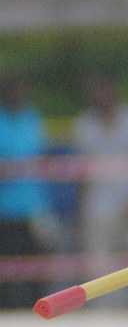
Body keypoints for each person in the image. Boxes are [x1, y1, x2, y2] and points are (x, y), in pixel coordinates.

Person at [71, 72, 128, 307]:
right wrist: (79, 214)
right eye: (94, 91)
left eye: (103, 89)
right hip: (98, 211)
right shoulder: (83, 125)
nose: (99, 95)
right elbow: (82, 176)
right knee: (99, 273)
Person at [0, 74, 53, 309]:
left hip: (34, 207)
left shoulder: (32, 118)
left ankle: (38, 314)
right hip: (5, 210)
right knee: (7, 272)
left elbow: (41, 156)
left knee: (38, 268)